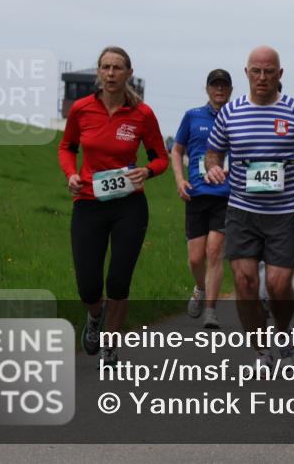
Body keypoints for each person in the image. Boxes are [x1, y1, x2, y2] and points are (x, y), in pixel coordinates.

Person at [204, 46, 294, 369]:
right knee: (245, 283)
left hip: (284, 213)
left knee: (278, 284)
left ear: (279, 74)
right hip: (242, 211)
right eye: (256, 71)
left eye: (269, 71)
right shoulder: (231, 112)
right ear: (246, 73)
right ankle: (261, 351)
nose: (262, 77)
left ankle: (283, 334)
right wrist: (213, 167)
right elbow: (213, 152)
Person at [58, 46, 169, 365]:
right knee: (88, 286)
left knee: (118, 280)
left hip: (128, 205)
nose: (110, 73)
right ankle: (94, 318)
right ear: (98, 72)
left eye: (117, 68)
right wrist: (71, 174)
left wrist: (146, 171)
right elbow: (67, 147)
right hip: (89, 202)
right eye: (105, 67)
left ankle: (110, 344)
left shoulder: (142, 114)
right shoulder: (81, 110)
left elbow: (160, 157)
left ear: (128, 74)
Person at [170, 69, 234, 329]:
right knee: (196, 258)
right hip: (196, 193)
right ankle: (200, 287)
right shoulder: (192, 116)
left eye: (223, 86)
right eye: (214, 85)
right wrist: (179, 180)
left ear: (230, 90)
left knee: (214, 252)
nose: (219, 90)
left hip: (226, 195)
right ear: (207, 89)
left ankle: (211, 311)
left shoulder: (237, 117)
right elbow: (176, 150)